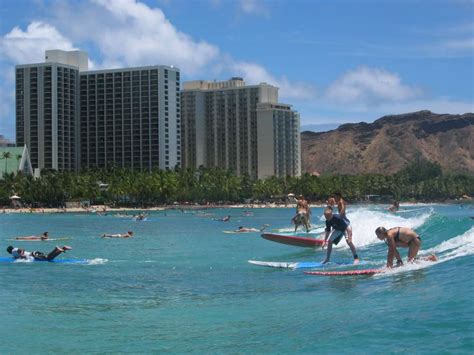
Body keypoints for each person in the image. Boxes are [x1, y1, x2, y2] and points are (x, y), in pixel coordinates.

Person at [6, 245, 72, 261]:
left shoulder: (14, 250)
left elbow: (21, 249)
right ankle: (62, 249)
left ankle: (56, 249)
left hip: (33, 255)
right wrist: (21, 256)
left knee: (47, 257)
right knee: (49, 258)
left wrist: (22, 254)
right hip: (33, 254)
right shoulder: (14, 254)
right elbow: (18, 256)